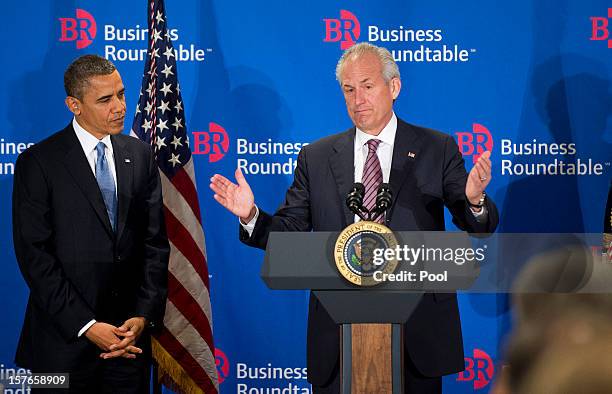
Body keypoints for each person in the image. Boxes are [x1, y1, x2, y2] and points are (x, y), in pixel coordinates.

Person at [210, 42, 499, 393]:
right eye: (349, 89)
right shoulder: (316, 157)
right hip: (338, 331)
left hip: (417, 331)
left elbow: (476, 224)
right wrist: (252, 215)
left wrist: (474, 200)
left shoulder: (436, 148)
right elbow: (290, 233)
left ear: (393, 87)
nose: (357, 98)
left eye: (367, 85)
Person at [12, 54, 169, 393]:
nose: (120, 107)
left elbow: (155, 244)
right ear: (74, 105)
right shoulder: (38, 162)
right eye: (105, 99)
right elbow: (35, 256)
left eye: (122, 94)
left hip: (128, 345)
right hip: (60, 346)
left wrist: (142, 316)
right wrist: (87, 325)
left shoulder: (139, 155)